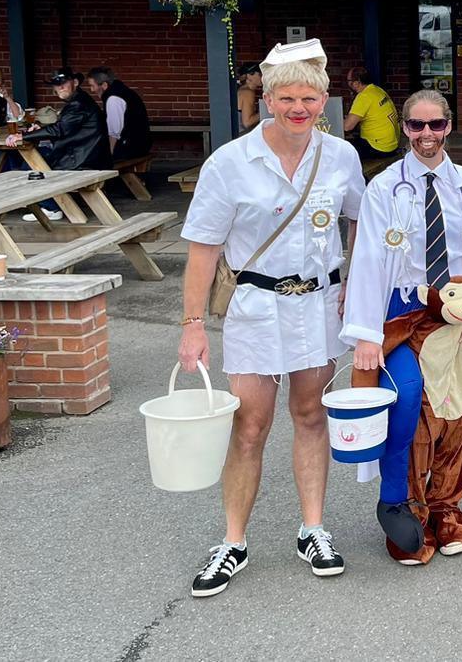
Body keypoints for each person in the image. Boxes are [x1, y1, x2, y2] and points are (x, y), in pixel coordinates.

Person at [174, 39, 366, 599]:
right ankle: (232, 541)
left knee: (310, 414)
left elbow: (360, 222)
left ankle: (313, 529)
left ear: (325, 99)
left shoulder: (341, 157)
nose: (299, 108)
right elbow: (203, 251)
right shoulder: (230, 163)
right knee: (250, 425)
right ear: (268, 99)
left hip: (318, 305)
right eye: (287, 97)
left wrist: (355, 277)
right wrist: (192, 325)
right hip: (255, 309)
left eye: (309, 97)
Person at [342, 89, 462, 564]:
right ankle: (397, 505)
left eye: (436, 125)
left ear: (449, 126)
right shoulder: (384, 188)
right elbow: (366, 261)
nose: (427, 135)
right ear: (404, 128)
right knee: (405, 396)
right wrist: (366, 334)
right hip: (408, 313)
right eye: (417, 126)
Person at [4, 70, 111, 221]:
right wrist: (39, 131)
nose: (59, 88)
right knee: (27, 159)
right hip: (85, 155)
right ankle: (34, 202)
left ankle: (51, 207)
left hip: (83, 160)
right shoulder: (80, 100)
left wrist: (23, 135)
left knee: (31, 166)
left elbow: (59, 130)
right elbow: (65, 127)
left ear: (75, 83)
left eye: (63, 84)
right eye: (56, 85)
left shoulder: (78, 104)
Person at [87, 66, 153, 161]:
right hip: (139, 144)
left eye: (93, 85)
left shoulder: (113, 99)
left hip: (131, 147)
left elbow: (114, 133)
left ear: (104, 85)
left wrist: (109, 157)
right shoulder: (122, 91)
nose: (92, 90)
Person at [342, 67, 400, 160]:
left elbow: (347, 127)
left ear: (356, 83)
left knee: (341, 150)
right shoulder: (377, 90)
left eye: (349, 81)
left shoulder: (364, 96)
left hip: (378, 147)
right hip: (392, 144)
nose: (348, 83)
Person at [237, 65, 263, 132]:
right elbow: (247, 122)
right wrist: (266, 112)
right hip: (241, 135)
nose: (263, 76)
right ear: (249, 75)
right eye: (260, 74)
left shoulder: (243, 90)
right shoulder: (247, 92)